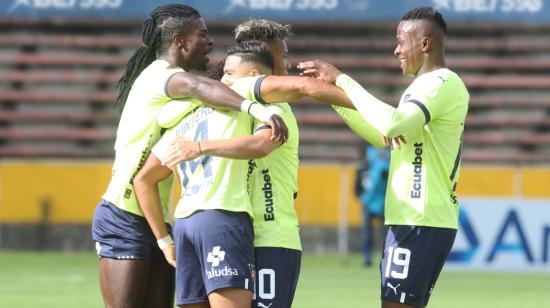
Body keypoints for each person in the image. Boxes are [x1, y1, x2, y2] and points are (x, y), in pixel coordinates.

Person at [136, 39, 359, 308]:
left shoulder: (189, 112)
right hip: (222, 217)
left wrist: (163, 239)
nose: (222, 77)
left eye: (229, 72)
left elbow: (143, 178)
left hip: (185, 223)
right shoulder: (258, 108)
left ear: (254, 76)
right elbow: (262, 144)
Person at [90, 4, 287, 308]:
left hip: (156, 218)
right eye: (202, 34)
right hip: (123, 214)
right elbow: (199, 86)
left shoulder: (176, 94)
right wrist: (254, 108)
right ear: (180, 41)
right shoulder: (162, 76)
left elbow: (207, 93)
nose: (210, 41)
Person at [298, 7, 469, 308]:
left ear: (425, 44)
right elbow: (384, 136)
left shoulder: (441, 82)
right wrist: (332, 98)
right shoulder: (423, 88)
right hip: (413, 217)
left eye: (402, 42)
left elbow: (391, 124)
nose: (396, 50)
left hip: (420, 217)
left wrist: (342, 80)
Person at [355, 145, 390, 266]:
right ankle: (367, 258)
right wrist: (360, 198)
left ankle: (386, 257)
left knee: (385, 235)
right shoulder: (363, 169)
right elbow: (357, 187)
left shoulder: (386, 168)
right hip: (368, 204)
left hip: (382, 204)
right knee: (367, 234)